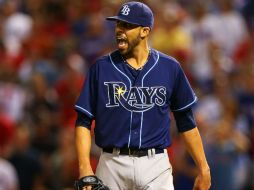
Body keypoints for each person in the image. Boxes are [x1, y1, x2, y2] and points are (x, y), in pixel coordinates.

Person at [74, 1, 211, 190]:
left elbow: (186, 121)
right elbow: (83, 121)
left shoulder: (169, 68)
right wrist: (84, 167)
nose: (120, 30)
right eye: (118, 24)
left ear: (145, 31)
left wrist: (203, 168)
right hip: (111, 163)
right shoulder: (101, 68)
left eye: (127, 25)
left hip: (155, 165)